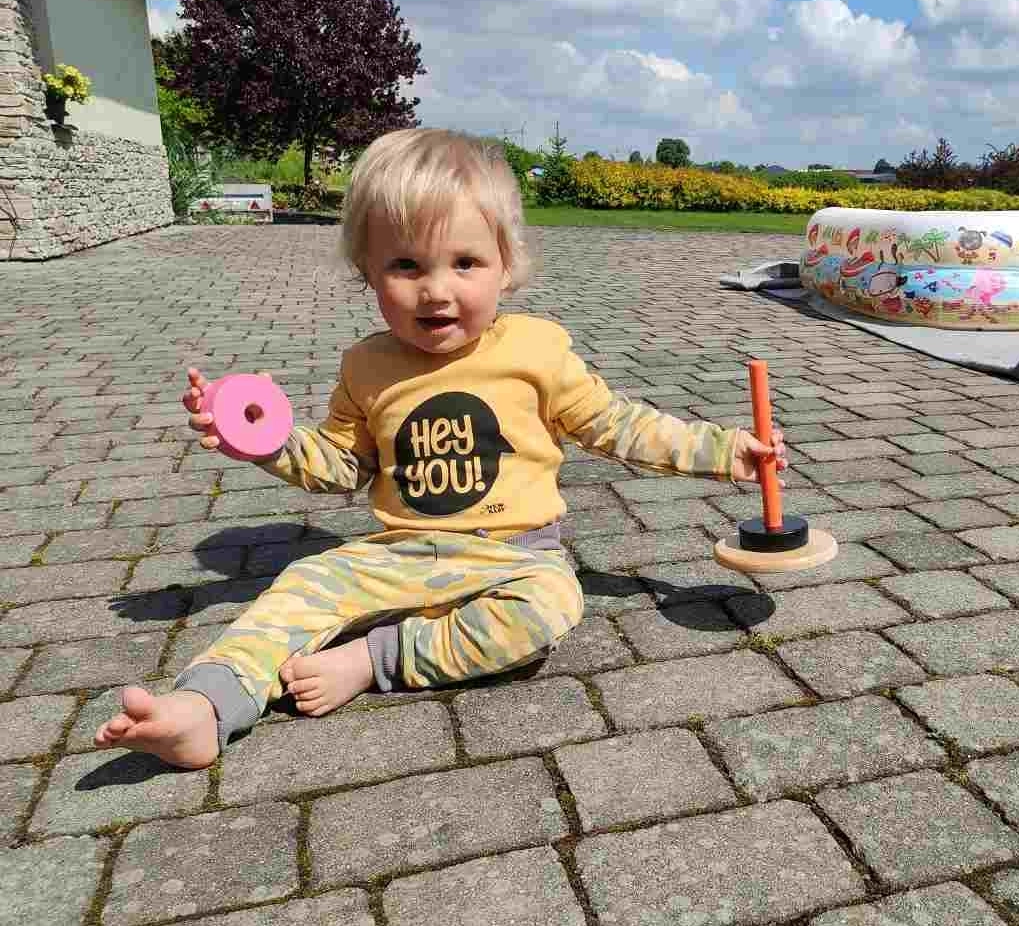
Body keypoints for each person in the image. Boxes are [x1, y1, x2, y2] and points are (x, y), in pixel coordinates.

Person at [95, 128, 786, 769]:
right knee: (298, 589)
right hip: (399, 553)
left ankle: (374, 659)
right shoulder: (366, 366)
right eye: (405, 265)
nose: (436, 291)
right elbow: (341, 465)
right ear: (368, 272)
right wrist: (267, 443)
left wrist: (724, 451)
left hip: (513, 556)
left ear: (507, 266)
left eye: (465, 263)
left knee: (551, 605)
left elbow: (618, 425)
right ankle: (205, 707)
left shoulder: (536, 350)